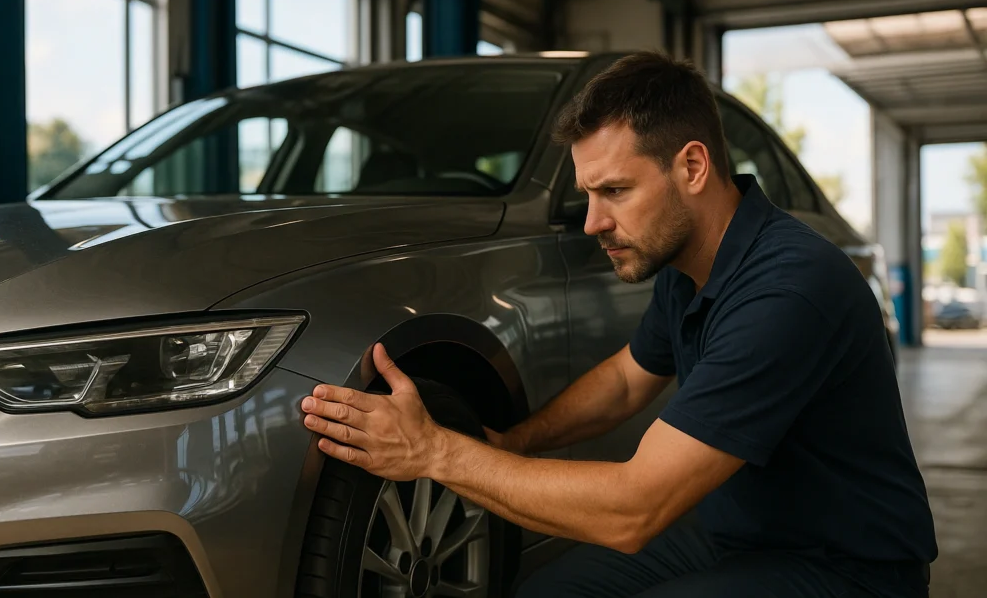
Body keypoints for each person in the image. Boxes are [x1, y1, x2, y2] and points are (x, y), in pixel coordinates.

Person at [299, 51, 937, 597]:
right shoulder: (689, 265)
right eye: (587, 195)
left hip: (846, 568)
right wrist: (512, 443)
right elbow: (627, 381)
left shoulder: (788, 288)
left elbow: (634, 509)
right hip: (732, 532)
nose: (592, 222)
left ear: (691, 168)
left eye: (615, 192)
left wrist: (435, 451)